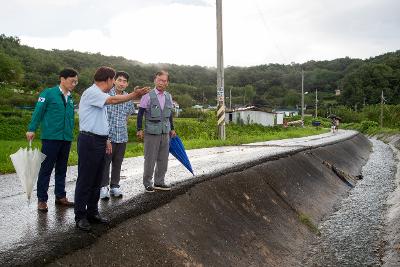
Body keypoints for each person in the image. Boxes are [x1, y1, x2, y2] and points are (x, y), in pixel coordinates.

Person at [74, 66, 149, 231]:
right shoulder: (92, 92)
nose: (115, 83)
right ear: (108, 80)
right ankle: (80, 216)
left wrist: (106, 139)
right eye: (114, 80)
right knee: (85, 179)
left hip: (100, 140)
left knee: (96, 179)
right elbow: (113, 100)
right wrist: (135, 95)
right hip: (89, 140)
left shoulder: (100, 94)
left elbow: (105, 118)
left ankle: (93, 212)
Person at [26, 68, 78, 212]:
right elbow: (38, 112)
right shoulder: (48, 93)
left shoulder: (71, 97)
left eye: (76, 81)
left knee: (62, 168)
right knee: (46, 169)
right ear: (62, 79)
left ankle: (60, 196)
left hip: (66, 138)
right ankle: (42, 200)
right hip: (51, 137)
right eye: (71, 80)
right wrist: (31, 129)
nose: (74, 84)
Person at [100, 71, 138, 199]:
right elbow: (101, 117)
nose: (122, 83)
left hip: (122, 136)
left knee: (118, 162)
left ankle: (115, 186)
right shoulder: (106, 95)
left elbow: (127, 115)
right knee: (105, 162)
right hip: (108, 137)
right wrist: (105, 138)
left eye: (124, 81)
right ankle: (103, 187)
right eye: (120, 80)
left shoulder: (128, 98)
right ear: (114, 80)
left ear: (127, 84)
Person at [137, 70, 176, 193]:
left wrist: (172, 128)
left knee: (163, 158)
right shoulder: (147, 96)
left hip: (165, 132)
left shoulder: (169, 96)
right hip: (151, 132)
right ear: (155, 80)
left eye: (164, 81)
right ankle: (147, 183)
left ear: (167, 83)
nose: (161, 83)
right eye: (159, 80)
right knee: (150, 158)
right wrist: (139, 129)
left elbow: (169, 114)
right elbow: (140, 114)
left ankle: (159, 182)